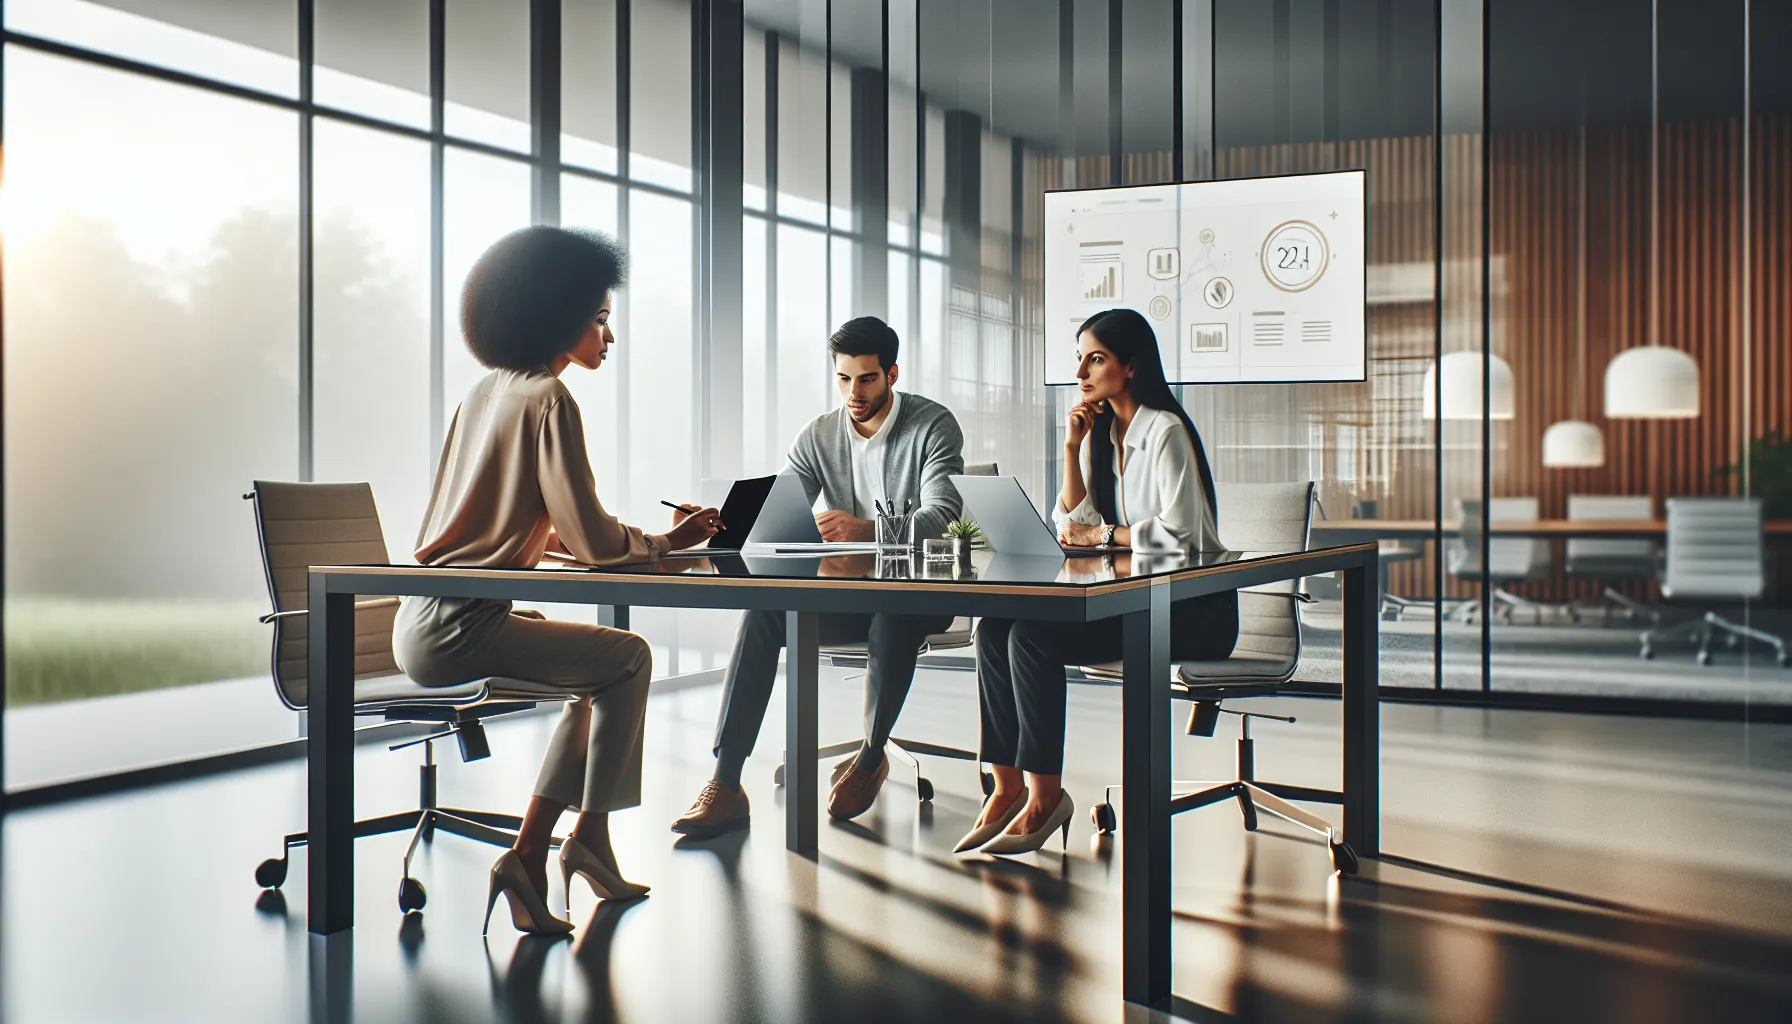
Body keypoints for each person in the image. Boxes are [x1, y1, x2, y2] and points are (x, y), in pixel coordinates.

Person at [393, 226, 721, 934]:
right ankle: (589, 841)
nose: (609, 336)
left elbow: (505, 529)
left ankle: (530, 854)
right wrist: (670, 541)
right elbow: (597, 541)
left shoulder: (486, 392)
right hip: (462, 627)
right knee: (628, 659)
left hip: (420, 620)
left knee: (590, 681)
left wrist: (588, 548)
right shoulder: (548, 399)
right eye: (599, 319)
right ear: (556, 316)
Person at [955, 308, 1237, 856]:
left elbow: (1184, 536)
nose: (1081, 371)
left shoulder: (1166, 430)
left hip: (1192, 612)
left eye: (1096, 358)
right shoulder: (1104, 433)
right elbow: (1073, 528)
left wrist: (1105, 534)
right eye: (1078, 359)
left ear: (1131, 366)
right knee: (994, 628)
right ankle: (1007, 786)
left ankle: (1046, 796)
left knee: (1031, 638)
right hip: (1135, 604)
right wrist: (1072, 449)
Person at [672, 316, 966, 836]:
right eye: (844, 379)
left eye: (867, 379)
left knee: (892, 613)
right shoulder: (818, 435)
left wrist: (867, 529)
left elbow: (943, 513)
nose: (854, 392)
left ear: (892, 374)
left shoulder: (932, 425)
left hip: (919, 591)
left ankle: (872, 755)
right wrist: (719, 522)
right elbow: (781, 515)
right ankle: (726, 781)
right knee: (764, 611)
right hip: (847, 596)